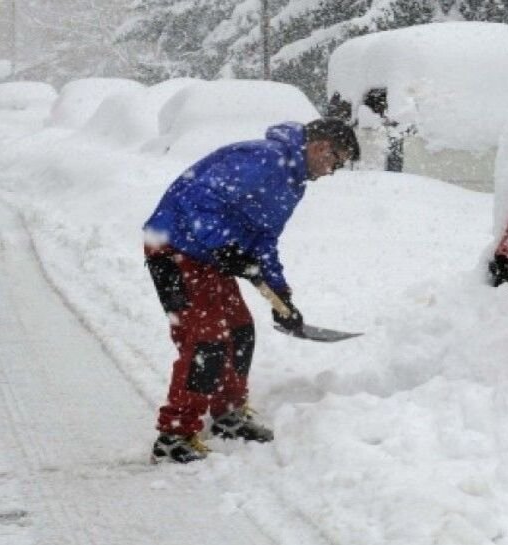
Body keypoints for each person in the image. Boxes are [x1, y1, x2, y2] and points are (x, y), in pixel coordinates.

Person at [142, 118, 360, 463]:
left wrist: (280, 294)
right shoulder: (263, 158)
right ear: (319, 147)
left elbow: (264, 238)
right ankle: (175, 435)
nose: (332, 170)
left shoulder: (292, 182)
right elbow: (198, 201)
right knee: (205, 342)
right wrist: (224, 246)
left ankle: (228, 414)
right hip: (174, 249)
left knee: (240, 332)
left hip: (208, 257)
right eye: (336, 159)